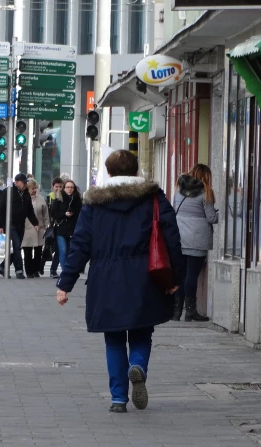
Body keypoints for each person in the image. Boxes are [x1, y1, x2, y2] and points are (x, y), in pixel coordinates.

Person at [56, 150, 184, 413]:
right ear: (136, 172)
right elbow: (171, 238)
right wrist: (175, 277)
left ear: (109, 173)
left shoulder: (94, 204)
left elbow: (80, 245)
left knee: (113, 338)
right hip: (145, 277)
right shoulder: (154, 199)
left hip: (106, 278)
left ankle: (118, 398)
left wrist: (65, 283)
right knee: (142, 331)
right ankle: (137, 365)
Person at [173, 165, 219, 322]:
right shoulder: (206, 193)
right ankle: (191, 311)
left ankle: (177, 311)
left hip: (179, 237)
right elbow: (211, 218)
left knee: (181, 275)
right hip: (197, 239)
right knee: (191, 275)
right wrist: (223, 214)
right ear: (206, 176)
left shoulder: (178, 189)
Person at [0, 174, 39, 279]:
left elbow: (29, 210)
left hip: (21, 224)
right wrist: (0, 225)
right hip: (10, 223)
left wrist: (35, 223)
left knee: (16, 248)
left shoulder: (25, 194)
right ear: (17, 182)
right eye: (23, 182)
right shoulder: (8, 192)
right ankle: (19, 270)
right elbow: (1, 208)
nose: (25, 184)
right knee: (17, 246)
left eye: (26, 182)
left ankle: (2, 267)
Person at [51, 179, 83, 276]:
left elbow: (80, 214)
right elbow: (53, 213)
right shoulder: (58, 199)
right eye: (68, 187)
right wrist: (64, 214)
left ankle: (68, 269)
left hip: (72, 229)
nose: (70, 189)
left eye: (72, 187)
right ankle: (65, 271)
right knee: (62, 250)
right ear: (64, 188)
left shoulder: (77, 200)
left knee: (70, 251)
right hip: (61, 228)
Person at [23, 180, 50, 278]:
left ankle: (35, 270)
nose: (34, 190)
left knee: (38, 251)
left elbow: (45, 213)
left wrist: (47, 225)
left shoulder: (41, 198)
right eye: (32, 188)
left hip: (40, 228)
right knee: (28, 251)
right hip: (27, 228)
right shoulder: (24, 198)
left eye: (35, 188)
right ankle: (29, 271)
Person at [45, 177, 64, 277]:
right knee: (47, 248)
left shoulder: (63, 198)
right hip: (51, 227)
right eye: (57, 186)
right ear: (53, 187)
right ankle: (40, 268)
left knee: (58, 249)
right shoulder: (49, 197)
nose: (59, 188)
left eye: (61, 186)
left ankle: (53, 270)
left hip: (60, 227)